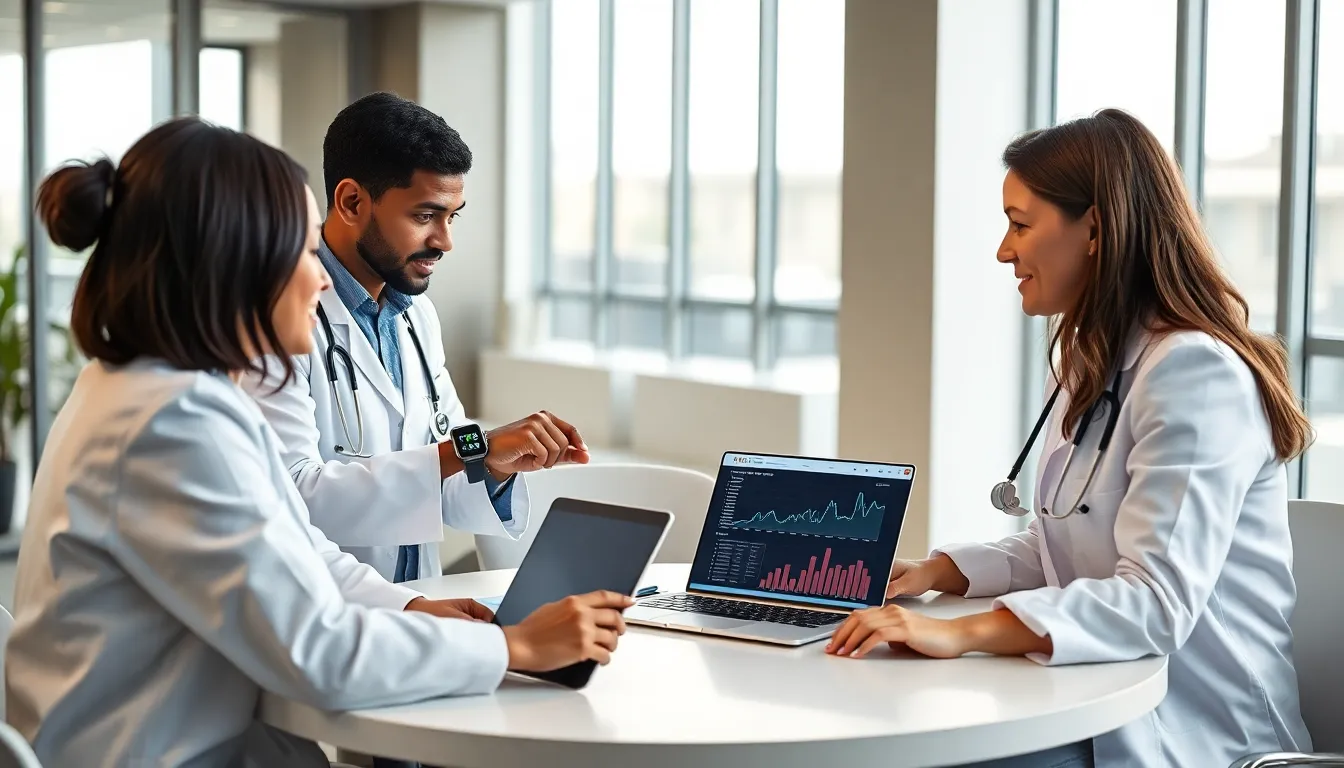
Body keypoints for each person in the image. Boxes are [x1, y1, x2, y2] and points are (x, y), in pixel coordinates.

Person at [5, 117, 632, 767]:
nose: (323, 278)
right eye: (305, 253)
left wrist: (415, 604)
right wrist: (517, 648)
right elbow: (319, 650)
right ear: (235, 263)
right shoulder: (172, 422)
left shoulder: (158, 391)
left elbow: (296, 549)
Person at [826, 109, 1314, 768]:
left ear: (1094, 228)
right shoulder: (1094, 363)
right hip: (1091, 697)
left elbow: (1153, 603)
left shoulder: (1194, 373)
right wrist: (940, 572)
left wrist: (962, 633)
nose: (1005, 250)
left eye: (1021, 225)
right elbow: (1068, 539)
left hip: (1194, 734)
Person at [241, 92, 577, 587]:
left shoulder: (416, 314)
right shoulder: (280, 314)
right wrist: (471, 450)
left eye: (452, 216)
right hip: (324, 615)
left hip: (415, 604)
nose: (445, 241)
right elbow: (291, 495)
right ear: (353, 202)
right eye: (425, 216)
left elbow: (448, 450)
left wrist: (495, 464)